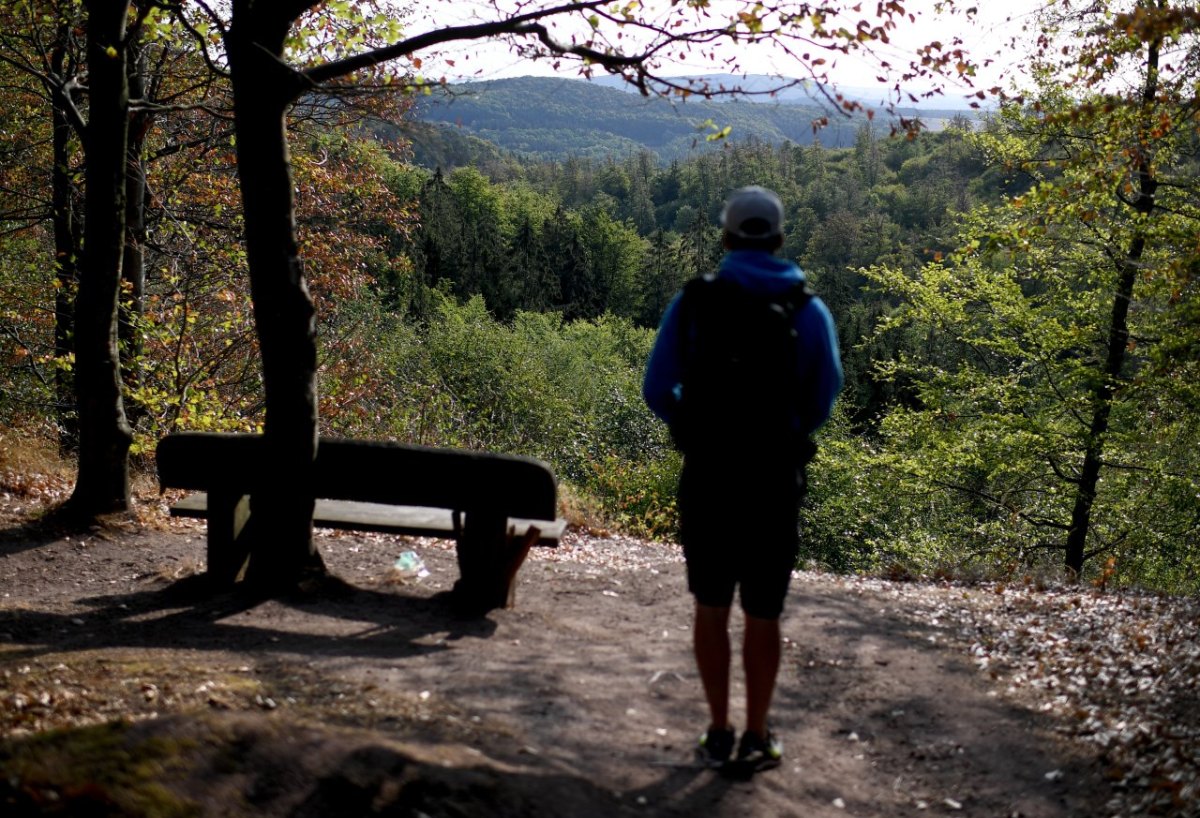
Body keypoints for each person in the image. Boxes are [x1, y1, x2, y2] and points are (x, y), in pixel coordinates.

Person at [642, 186, 842, 775]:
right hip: (774, 481)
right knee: (763, 612)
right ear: (779, 239)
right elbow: (823, 399)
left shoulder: (695, 302)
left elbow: (657, 389)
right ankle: (757, 735)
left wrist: (698, 423)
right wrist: (781, 432)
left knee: (710, 606)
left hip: (708, 476)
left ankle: (717, 731)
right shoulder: (808, 310)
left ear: (726, 238)